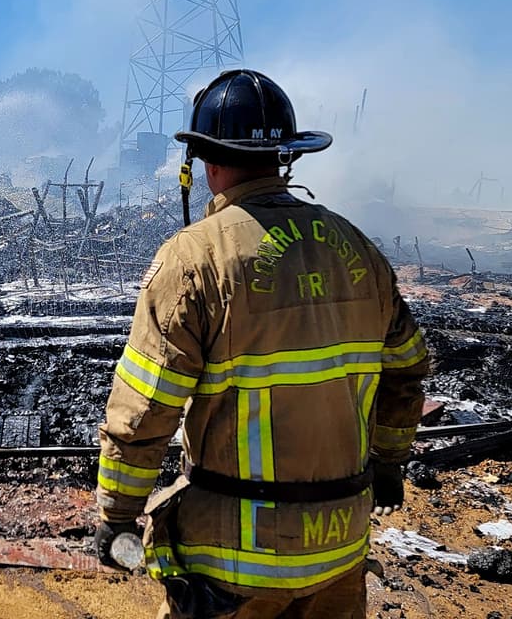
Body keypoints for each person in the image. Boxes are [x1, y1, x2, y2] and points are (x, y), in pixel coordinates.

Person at [94, 70, 429, 619]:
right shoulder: (357, 248)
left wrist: (117, 515)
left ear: (206, 162)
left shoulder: (195, 259)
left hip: (234, 563)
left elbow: (146, 407)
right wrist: (389, 462)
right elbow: (408, 370)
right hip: (340, 548)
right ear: (285, 159)